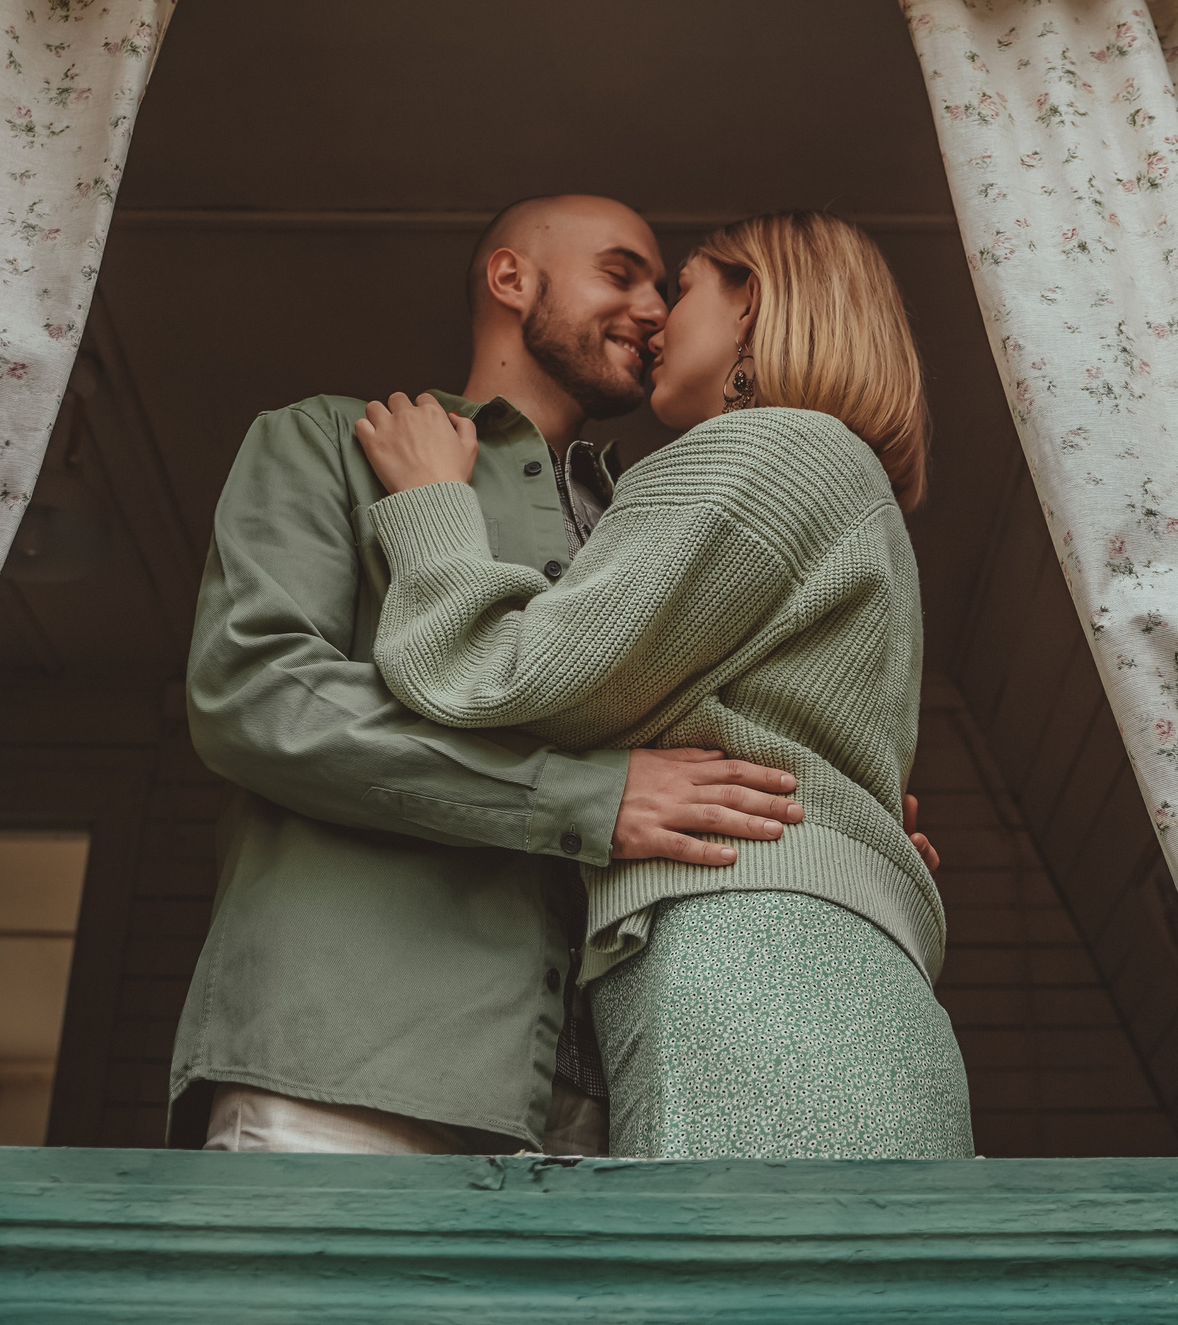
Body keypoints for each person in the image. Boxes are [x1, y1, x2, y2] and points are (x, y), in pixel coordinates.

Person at [173, 195, 825, 1156]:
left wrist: (833, 816)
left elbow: (718, 761)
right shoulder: (326, 442)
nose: (653, 306)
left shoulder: (662, 524)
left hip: (623, 1119)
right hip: (351, 1073)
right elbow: (257, 697)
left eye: (664, 285)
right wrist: (580, 795)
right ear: (511, 278)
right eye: (621, 272)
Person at [353, 212, 973, 1160]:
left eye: (682, 287)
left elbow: (510, 678)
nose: (654, 319)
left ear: (751, 301)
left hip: (757, 951)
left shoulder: (769, 452)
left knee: (733, 1290)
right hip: (848, 970)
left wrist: (432, 506)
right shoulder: (852, 490)